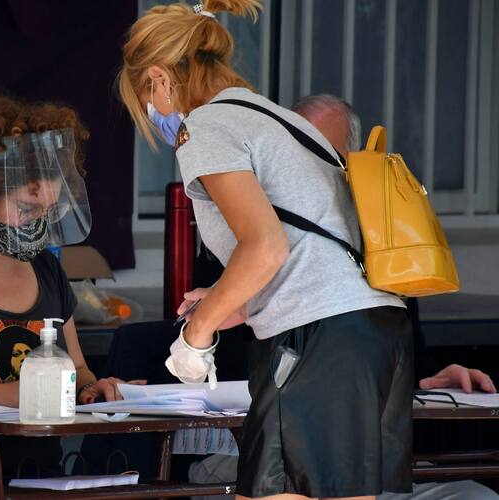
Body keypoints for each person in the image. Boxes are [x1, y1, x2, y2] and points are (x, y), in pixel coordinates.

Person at [119, 2, 415, 499]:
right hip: (376, 332)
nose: (157, 114)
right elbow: (304, 242)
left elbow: (266, 246)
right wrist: (226, 299)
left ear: (160, 78)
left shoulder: (207, 128)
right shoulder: (279, 119)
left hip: (315, 338)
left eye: (149, 98)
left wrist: (197, 332)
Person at [187, 94, 498, 500]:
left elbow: (382, 369)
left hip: (348, 427)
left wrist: (433, 377)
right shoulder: (243, 231)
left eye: (321, 158)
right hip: (250, 435)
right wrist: (225, 311)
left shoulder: (377, 257)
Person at [0, 93, 141, 487]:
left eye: (50, 213)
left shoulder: (47, 269)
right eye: (27, 210)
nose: (38, 225)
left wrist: (94, 388)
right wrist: (1, 396)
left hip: (40, 480)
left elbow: (78, 367)